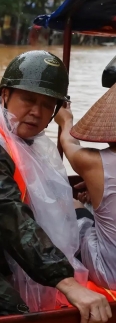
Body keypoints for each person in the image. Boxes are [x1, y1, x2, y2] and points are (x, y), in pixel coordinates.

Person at [0, 50, 113, 322]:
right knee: (16, 313)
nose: (37, 112)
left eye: (48, 105)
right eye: (29, 99)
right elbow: (10, 215)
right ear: (5, 94)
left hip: (3, 247)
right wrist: (66, 282)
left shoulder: (25, 140)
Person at [55, 85, 116, 290]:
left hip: (109, 274)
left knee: (71, 203)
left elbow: (68, 141)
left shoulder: (93, 162)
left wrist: (65, 119)